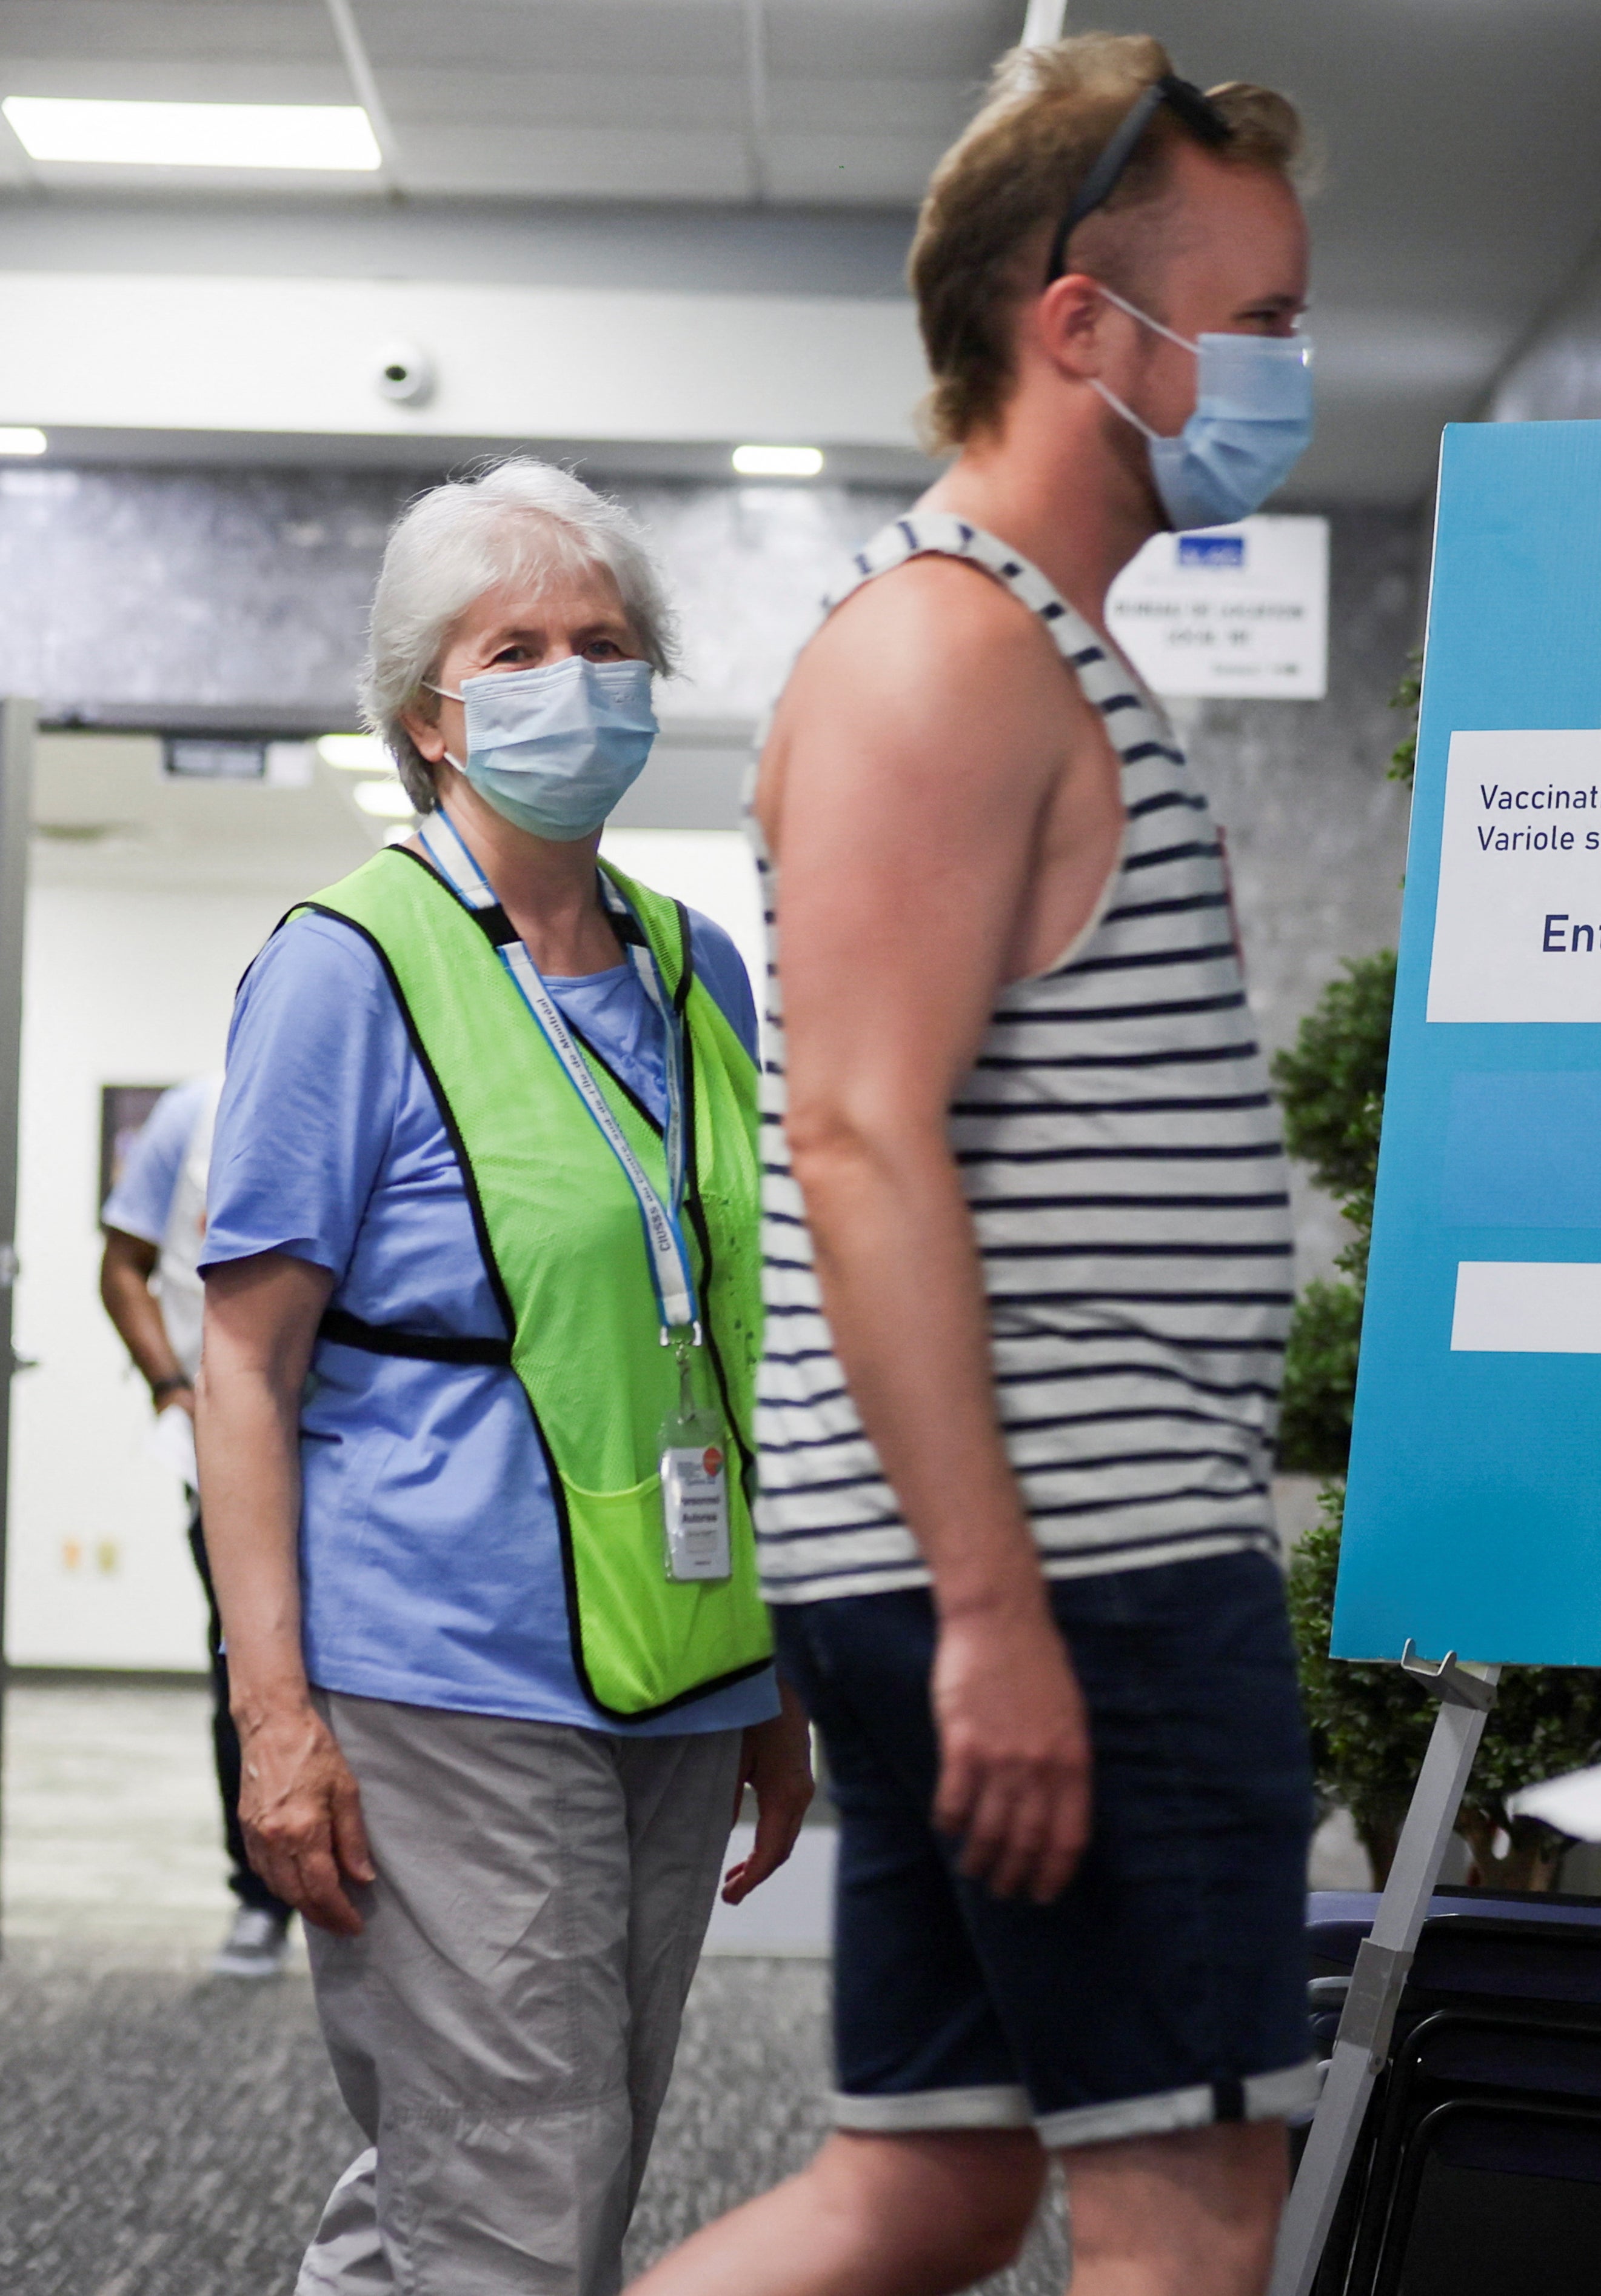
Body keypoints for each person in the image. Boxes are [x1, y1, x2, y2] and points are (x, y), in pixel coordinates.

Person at [629, 35, 1312, 2296]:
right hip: (1063, 1568)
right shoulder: (948, 651)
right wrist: (1000, 1616)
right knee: (1189, 2218)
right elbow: (853, 1131)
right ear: (1083, 328)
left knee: (924, 2181)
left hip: (1015, 1562)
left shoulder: (1029, 647)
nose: (1288, 370)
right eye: (1267, 322)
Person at [195, 457, 815, 2296]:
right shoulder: (348, 965)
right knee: (517, 2194)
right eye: (518, 647)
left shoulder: (698, 967)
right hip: (438, 1673)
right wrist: (275, 1710)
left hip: (674, 1661)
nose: (574, 677)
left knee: (528, 2165)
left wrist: (765, 1677)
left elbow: (710, 1325)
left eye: (606, 642)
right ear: (429, 715)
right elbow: (244, 1361)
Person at [100, 1070, 298, 1978]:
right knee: (245, 1655)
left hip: (354, 1440)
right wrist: (171, 1388)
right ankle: (257, 1898)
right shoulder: (194, 1113)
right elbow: (122, 1268)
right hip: (219, 1441)